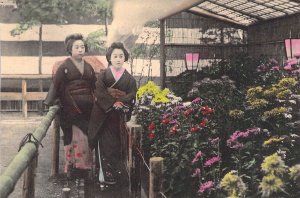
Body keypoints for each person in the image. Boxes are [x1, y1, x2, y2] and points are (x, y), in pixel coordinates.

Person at [44, 33, 96, 179]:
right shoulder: (64, 67)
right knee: (71, 136)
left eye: (82, 47)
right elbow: (56, 85)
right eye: (76, 47)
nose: (80, 49)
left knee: (85, 137)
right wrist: (50, 102)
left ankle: (84, 169)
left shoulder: (89, 67)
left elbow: (95, 86)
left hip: (87, 109)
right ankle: (72, 168)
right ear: (70, 49)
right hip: (70, 107)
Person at [88, 42, 137, 185]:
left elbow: (132, 93)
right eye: (115, 56)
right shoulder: (103, 75)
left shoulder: (129, 78)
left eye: (121, 56)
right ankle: (104, 174)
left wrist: (120, 101)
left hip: (119, 115)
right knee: (104, 143)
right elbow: (99, 91)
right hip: (104, 114)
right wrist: (112, 103)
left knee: (118, 143)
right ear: (109, 58)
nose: (118, 59)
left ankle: (116, 172)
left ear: (125, 58)